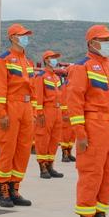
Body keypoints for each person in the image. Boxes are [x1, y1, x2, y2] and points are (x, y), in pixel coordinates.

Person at [66, 24, 109, 217]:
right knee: (91, 173)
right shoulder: (82, 67)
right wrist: (80, 133)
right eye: (105, 40)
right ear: (92, 43)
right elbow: (74, 102)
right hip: (95, 126)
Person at [0, 23, 37, 208]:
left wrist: (34, 111)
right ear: (12, 38)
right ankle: (3, 190)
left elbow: (33, 89)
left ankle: (14, 188)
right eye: (22, 35)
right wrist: (2, 113)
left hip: (26, 107)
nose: (25, 38)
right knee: (8, 149)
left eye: (26, 35)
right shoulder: (3, 61)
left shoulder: (28, 62)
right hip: (11, 106)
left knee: (23, 150)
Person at [34, 50, 65, 179]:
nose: (54, 60)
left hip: (57, 111)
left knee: (54, 139)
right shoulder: (41, 77)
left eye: (55, 58)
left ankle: (50, 165)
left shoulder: (56, 77)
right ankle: (42, 167)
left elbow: (61, 95)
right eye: (52, 58)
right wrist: (40, 113)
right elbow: (38, 96)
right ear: (46, 60)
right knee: (43, 139)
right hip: (47, 110)